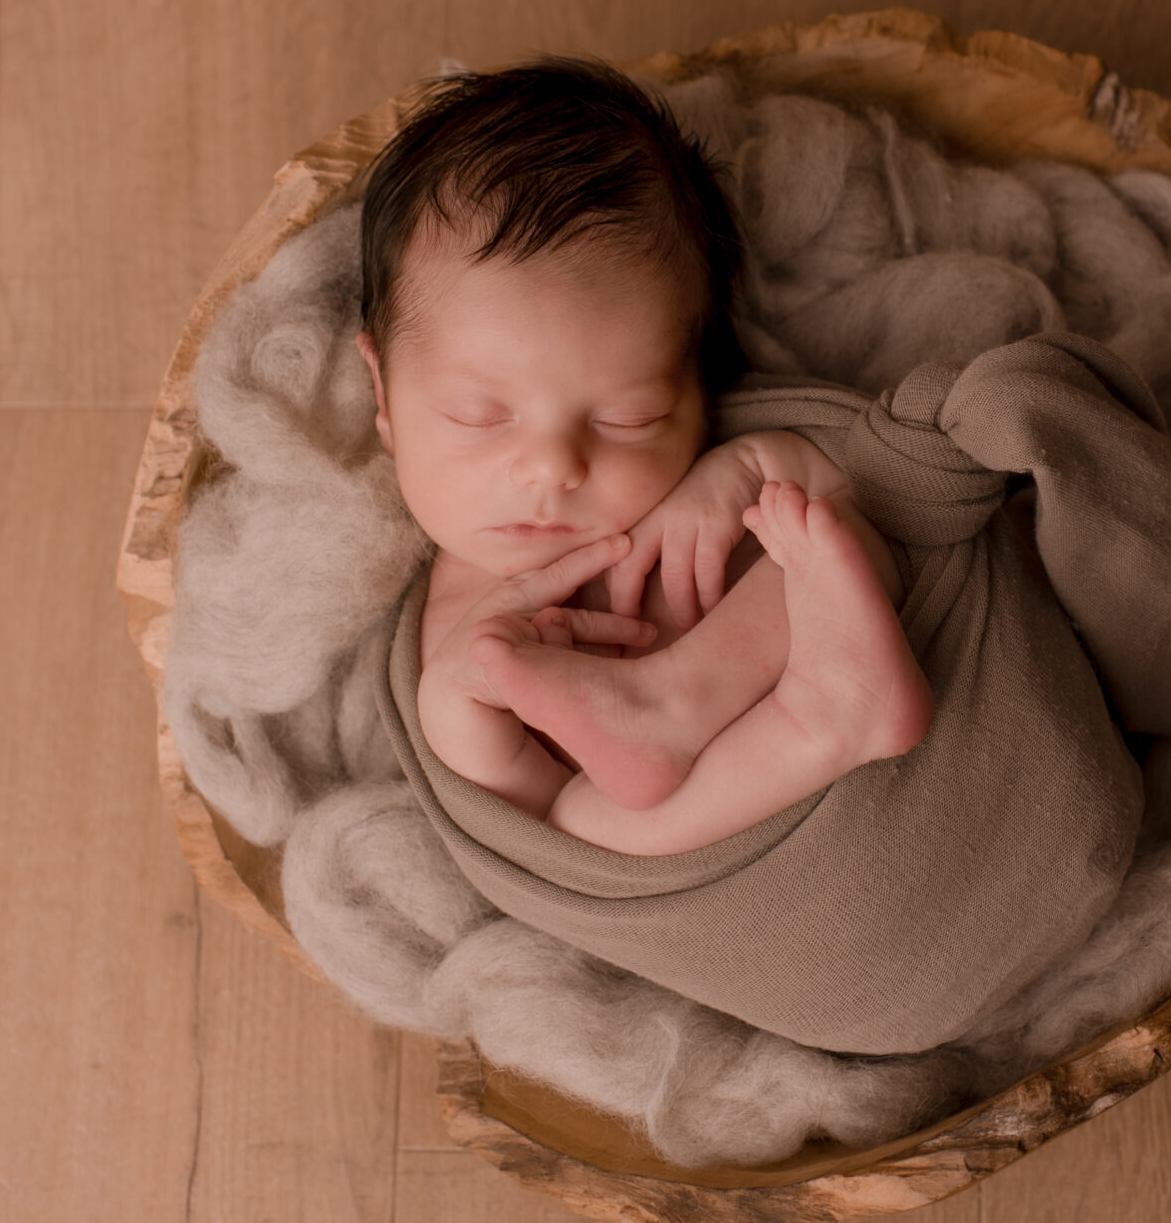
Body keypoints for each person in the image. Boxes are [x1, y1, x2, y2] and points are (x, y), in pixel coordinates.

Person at [354, 57, 929, 858]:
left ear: (701, 384)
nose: (552, 468)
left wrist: (751, 468)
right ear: (382, 392)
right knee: (588, 824)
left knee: (847, 527)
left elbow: (870, 479)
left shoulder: (704, 481)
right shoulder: (459, 632)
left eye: (630, 418)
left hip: (940, 780)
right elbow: (536, 841)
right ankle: (816, 724)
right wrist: (461, 712)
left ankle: (693, 703)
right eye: (478, 416)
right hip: (772, 858)